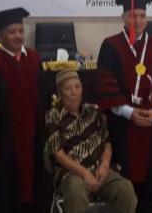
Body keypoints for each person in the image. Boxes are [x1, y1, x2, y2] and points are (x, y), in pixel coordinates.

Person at [96, 0, 152, 213]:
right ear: (123, 17)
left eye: (142, 15)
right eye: (133, 16)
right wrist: (129, 112)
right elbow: (106, 85)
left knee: (150, 186)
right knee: (125, 185)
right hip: (122, 126)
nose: (138, 21)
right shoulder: (110, 45)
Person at [0, 7, 44, 213]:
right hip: (3, 140)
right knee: (4, 189)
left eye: (20, 31)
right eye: (12, 32)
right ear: (0, 36)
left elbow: (42, 97)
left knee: (33, 185)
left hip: (32, 138)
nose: (18, 36)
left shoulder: (34, 59)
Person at [45, 69, 137, 213]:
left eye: (77, 87)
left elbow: (107, 143)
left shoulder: (92, 112)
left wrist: (105, 165)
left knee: (125, 189)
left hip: (99, 169)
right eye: (68, 88)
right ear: (60, 93)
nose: (74, 93)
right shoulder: (53, 116)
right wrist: (85, 173)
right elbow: (58, 154)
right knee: (75, 190)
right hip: (72, 173)